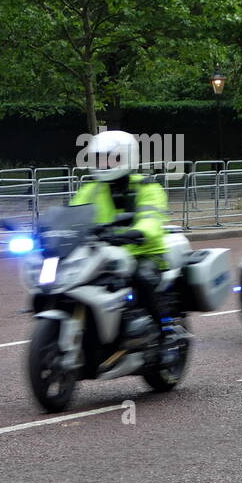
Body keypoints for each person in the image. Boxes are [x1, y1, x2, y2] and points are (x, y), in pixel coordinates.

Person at [71, 130, 170, 349]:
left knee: (141, 277)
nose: (104, 163)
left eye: (111, 157)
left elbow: (152, 220)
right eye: (99, 158)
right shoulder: (91, 190)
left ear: (127, 157)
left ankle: (163, 333)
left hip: (143, 252)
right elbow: (72, 215)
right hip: (104, 254)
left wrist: (136, 233)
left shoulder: (147, 188)